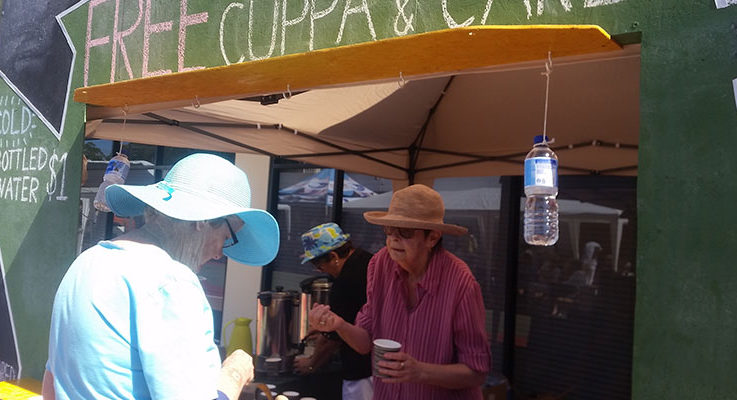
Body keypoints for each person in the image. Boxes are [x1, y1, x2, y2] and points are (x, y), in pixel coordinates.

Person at [42, 153, 280, 400]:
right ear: (204, 220)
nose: (220, 254)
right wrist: (234, 374)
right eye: (227, 237)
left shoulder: (86, 263)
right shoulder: (171, 282)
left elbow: (51, 385)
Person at [309, 184, 491, 399]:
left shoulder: (460, 282)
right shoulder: (380, 263)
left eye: (405, 232)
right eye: (389, 229)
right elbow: (365, 342)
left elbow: (476, 372)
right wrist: (338, 324)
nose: (393, 239)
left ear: (432, 238)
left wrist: (421, 372)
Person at [294, 222, 374, 400]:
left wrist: (310, 364)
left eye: (318, 264)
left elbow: (332, 339)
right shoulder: (368, 260)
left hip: (361, 372)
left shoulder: (345, 282)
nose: (318, 270)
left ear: (333, 256)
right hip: (382, 364)